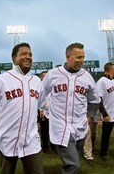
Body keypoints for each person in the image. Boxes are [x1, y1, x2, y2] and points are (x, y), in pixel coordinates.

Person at [41, 42, 100, 174]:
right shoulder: (53, 74)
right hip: (61, 126)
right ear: (67, 57)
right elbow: (40, 96)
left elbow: (95, 100)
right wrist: (48, 111)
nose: (82, 60)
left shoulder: (87, 77)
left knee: (75, 162)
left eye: (83, 57)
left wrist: (89, 118)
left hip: (80, 126)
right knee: (74, 165)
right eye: (78, 57)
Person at [0, 42, 44, 174]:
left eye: (30, 54)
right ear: (14, 58)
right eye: (23, 54)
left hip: (31, 140)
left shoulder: (36, 81)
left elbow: (43, 104)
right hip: (8, 139)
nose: (28, 56)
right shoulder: (1, 80)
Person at [38, 71, 56, 154]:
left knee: (53, 130)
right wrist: (41, 110)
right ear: (41, 78)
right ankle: (45, 147)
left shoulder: (52, 85)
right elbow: (38, 99)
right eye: (44, 76)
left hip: (53, 112)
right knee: (44, 131)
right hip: (44, 111)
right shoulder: (40, 86)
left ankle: (54, 146)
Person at [83, 101, 99, 166]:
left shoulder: (91, 92)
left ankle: (88, 156)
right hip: (75, 113)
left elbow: (96, 101)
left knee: (89, 134)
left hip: (86, 114)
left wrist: (90, 116)